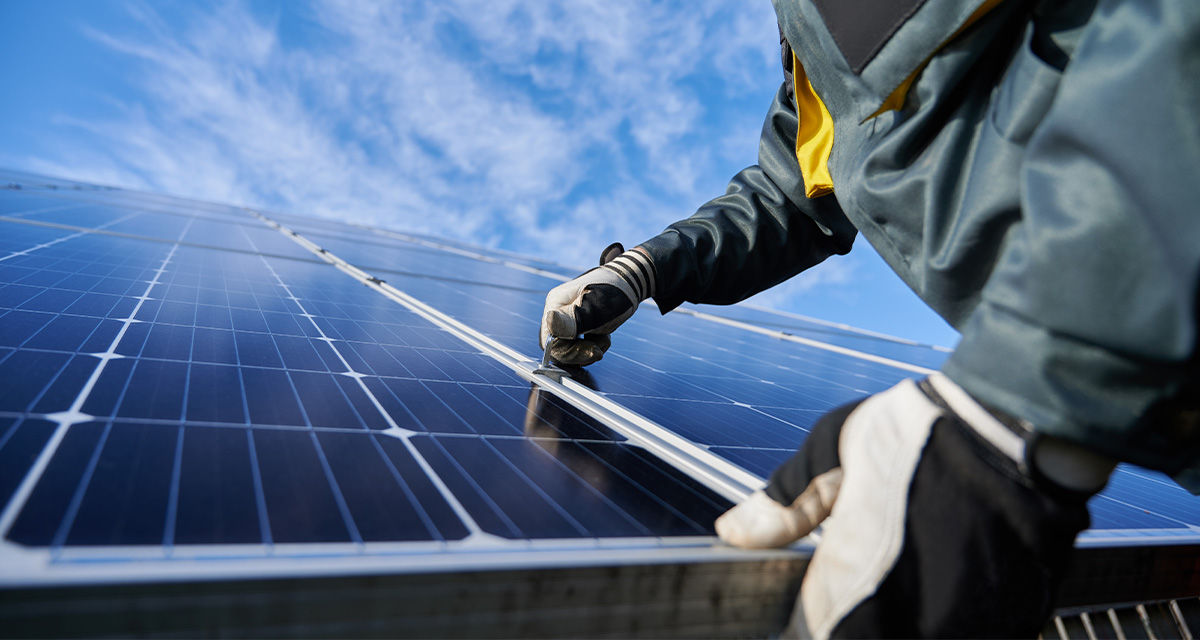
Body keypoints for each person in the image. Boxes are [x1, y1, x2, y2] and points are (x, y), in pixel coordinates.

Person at [539, 0, 1200, 636]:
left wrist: (1005, 408)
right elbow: (793, 191)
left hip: (1095, 331)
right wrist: (648, 267)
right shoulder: (807, 39)